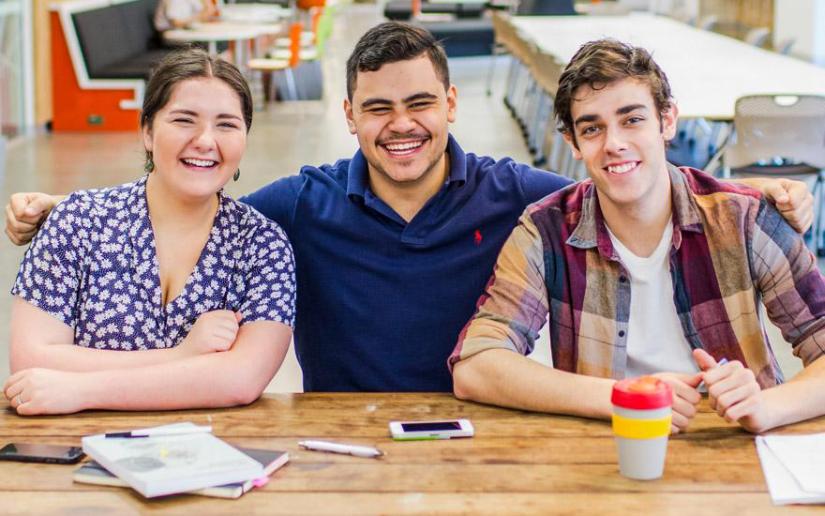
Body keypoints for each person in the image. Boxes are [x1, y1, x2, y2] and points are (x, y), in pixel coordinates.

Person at [4, 23, 812, 393]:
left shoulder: (518, 197)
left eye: (420, 102)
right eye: (378, 108)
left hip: (487, 429)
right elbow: (199, 190)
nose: (401, 126)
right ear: (349, 115)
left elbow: (621, 181)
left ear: (452, 103)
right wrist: (69, 207)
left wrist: (750, 193)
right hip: (338, 435)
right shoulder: (302, 202)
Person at [449, 39, 825, 434]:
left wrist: (767, 407)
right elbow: (476, 365)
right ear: (572, 144)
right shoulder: (546, 232)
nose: (614, 144)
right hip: (611, 450)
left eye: (632, 120)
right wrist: (623, 396)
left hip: (740, 445)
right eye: (592, 128)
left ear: (667, 121)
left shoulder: (745, 218)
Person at [2, 48, 295, 415]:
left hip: (213, 456)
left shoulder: (262, 245)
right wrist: (182, 356)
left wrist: (81, 389)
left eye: (226, 124)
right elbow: (32, 360)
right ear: (147, 131)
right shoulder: (76, 222)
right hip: (76, 451)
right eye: (184, 120)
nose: (206, 140)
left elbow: (240, 379)